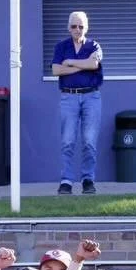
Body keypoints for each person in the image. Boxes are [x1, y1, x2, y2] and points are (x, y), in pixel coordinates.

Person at [51, 10, 103, 195]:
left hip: (91, 97)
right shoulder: (61, 47)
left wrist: (71, 63)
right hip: (69, 97)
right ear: (68, 27)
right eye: (74, 26)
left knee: (89, 141)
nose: (77, 29)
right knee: (68, 141)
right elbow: (56, 70)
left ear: (86, 27)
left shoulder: (94, 46)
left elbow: (93, 65)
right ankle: (66, 181)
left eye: (81, 26)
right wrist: (82, 66)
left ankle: (88, 180)